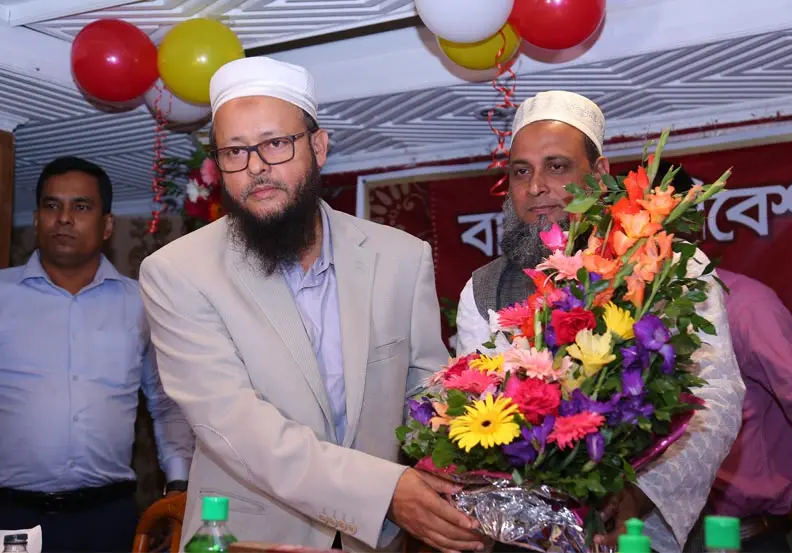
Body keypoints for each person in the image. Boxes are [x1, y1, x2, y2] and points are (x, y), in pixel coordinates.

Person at [137, 56, 485, 553]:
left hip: (375, 541)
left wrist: (487, 460)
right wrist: (383, 492)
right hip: (250, 539)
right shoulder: (178, 272)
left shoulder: (400, 257)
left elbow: (427, 394)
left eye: (276, 143)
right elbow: (235, 425)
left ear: (318, 147)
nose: (256, 167)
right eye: (235, 151)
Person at [455, 91, 745, 553]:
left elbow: (715, 397)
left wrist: (638, 495)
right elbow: (477, 413)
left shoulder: (668, 266)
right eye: (521, 171)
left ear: (600, 172)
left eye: (557, 166)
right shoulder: (483, 289)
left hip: (639, 528)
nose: (536, 186)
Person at [0, 157, 194, 552]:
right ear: (36, 219)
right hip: (13, 517)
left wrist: (178, 486)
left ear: (107, 225)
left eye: (81, 206)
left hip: (109, 520)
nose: (64, 218)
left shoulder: (141, 304)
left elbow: (166, 403)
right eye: (52, 205)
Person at [661, 161, 792, 553]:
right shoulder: (624, 319)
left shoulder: (749, 307)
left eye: (664, 219)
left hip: (746, 540)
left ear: (694, 223)